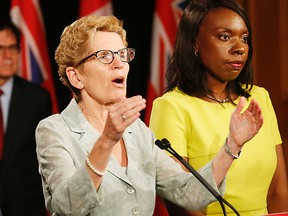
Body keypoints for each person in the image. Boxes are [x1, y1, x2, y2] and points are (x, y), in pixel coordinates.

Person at [35, 15, 263, 216]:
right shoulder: (55, 131)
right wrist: (107, 140)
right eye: (105, 56)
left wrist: (232, 146)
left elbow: (189, 193)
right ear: (76, 77)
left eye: (122, 54)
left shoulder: (137, 132)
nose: (119, 64)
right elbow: (66, 206)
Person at [149, 0, 288, 215]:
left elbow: (279, 191)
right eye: (225, 37)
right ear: (195, 43)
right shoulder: (171, 107)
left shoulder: (259, 98)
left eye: (244, 38)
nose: (239, 48)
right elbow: (181, 203)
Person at [0, 18, 52, 215]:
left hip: (25, 205)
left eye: (13, 48)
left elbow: (44, 158)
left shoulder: (37, 98)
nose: (7, 55)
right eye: (1, 48)